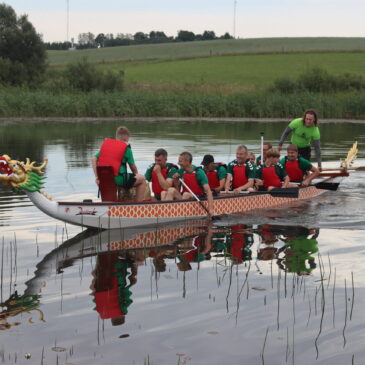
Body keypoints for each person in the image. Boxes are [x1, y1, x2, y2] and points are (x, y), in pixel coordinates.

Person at [91, 126, 146, 202]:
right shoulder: (127, 148)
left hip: (104, 179)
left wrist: (97, 176)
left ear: (116, 137)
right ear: (126, 138)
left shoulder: (107, 145)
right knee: (142, 179)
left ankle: (111, 206)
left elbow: (94, 159)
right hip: (119, 179)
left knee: (110, 195)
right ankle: (138, 206)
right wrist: (136, 174)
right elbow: (133, 167)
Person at [165, 152, 214, 216]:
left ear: (187, 161)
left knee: (186, 194)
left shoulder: (199, 172)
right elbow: (177, 189)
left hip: (198, 196)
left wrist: (210, 209)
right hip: (185, 197)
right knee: (170, 190)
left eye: (180, 161)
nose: (178, 163)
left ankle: (180, 213)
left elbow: (208, 191)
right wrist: (175, 180)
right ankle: (167, 212)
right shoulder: (181, 171)